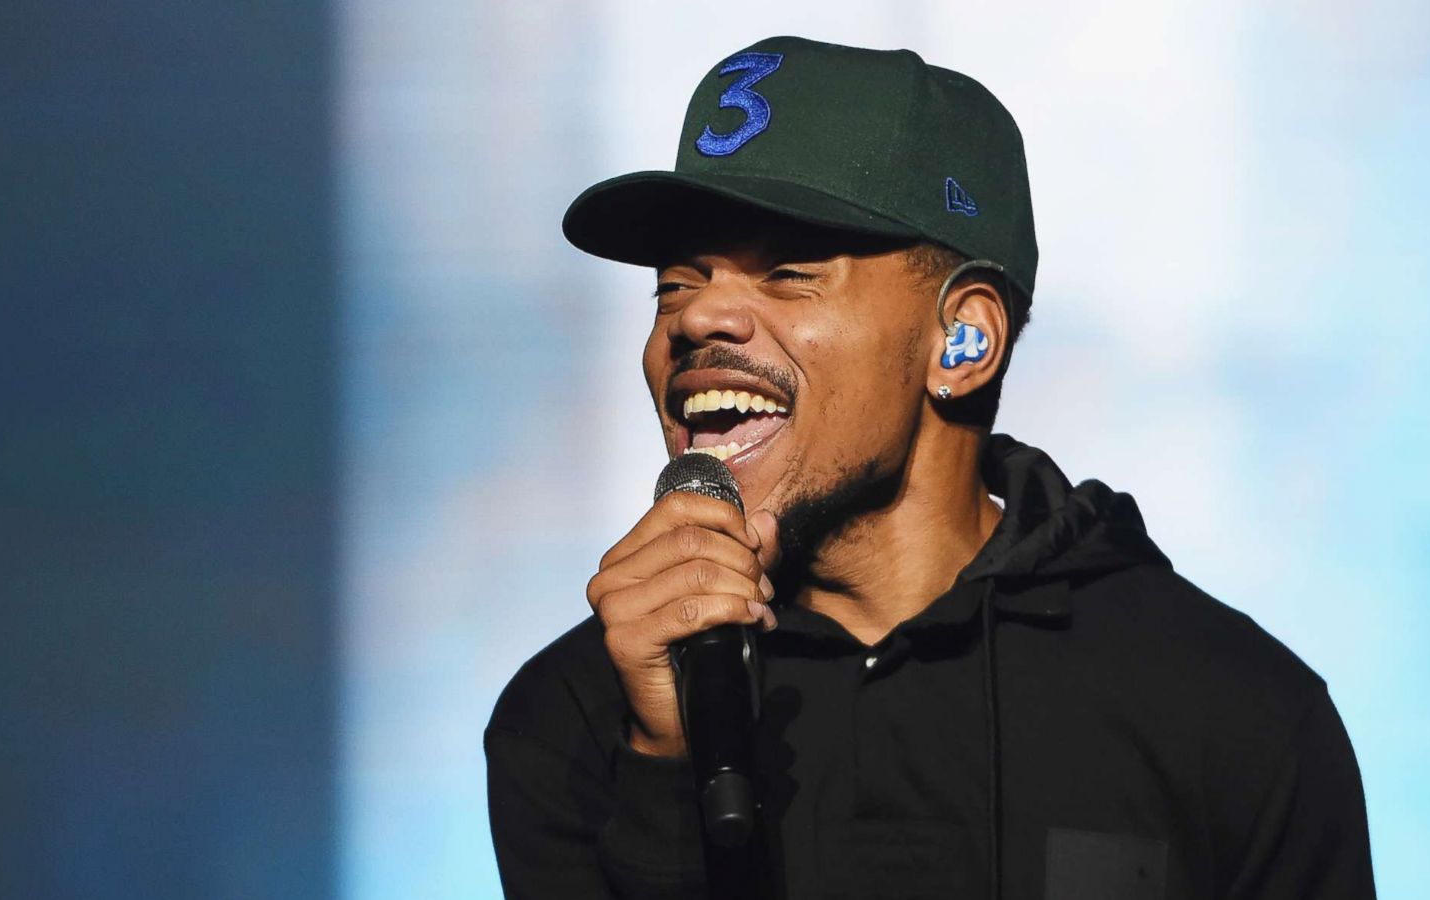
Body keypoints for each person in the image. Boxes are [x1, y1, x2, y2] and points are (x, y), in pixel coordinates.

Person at [484, 35, 1376, 900]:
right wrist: (667, 774)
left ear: (964, 339)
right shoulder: (571, 720)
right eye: (676, 283)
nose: (698, 318)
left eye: (790, 272)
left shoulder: (1230, 714)